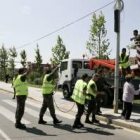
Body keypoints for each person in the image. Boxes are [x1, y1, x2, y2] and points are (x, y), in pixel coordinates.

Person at [14, 62, 32, 129]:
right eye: (24, 70)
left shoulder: (18, 77)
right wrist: (29, 65)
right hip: (21, 96)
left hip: (20, 95)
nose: (25, 71)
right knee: (21, 110)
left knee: (18, 109)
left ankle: (17, 122)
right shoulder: (21, 77)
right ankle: (18, 123)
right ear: (22, 72)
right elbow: (28, 71)